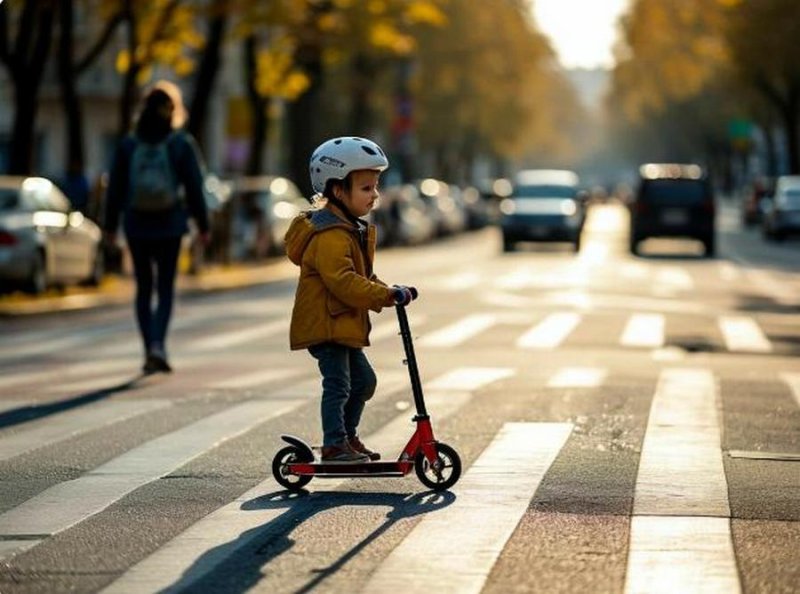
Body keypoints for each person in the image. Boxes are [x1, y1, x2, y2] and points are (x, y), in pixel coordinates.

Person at [285, 136, 416, 463]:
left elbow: (363, 277)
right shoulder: (329, 235)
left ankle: (347, 437)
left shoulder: (347, 229)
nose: (375, 195)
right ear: (337, 191)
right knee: (339, 384)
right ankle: (334, 445)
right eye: (366, 188)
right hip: (326, 325)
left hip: (341, 323)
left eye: (375, 187)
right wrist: (384, 296)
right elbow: (343, 282)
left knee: (364, 382)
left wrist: (389, 290)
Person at [104, 80, 211, 374]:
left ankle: (148, 346)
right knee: (164, 288)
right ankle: (158, 346)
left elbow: (115, 188)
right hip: (170, 225)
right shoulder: (180, 144)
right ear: (173, 110)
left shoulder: (128, 145)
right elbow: (195, 187)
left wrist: (110, 226)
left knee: (143, 287)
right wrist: (203, 225)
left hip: (136, 224)